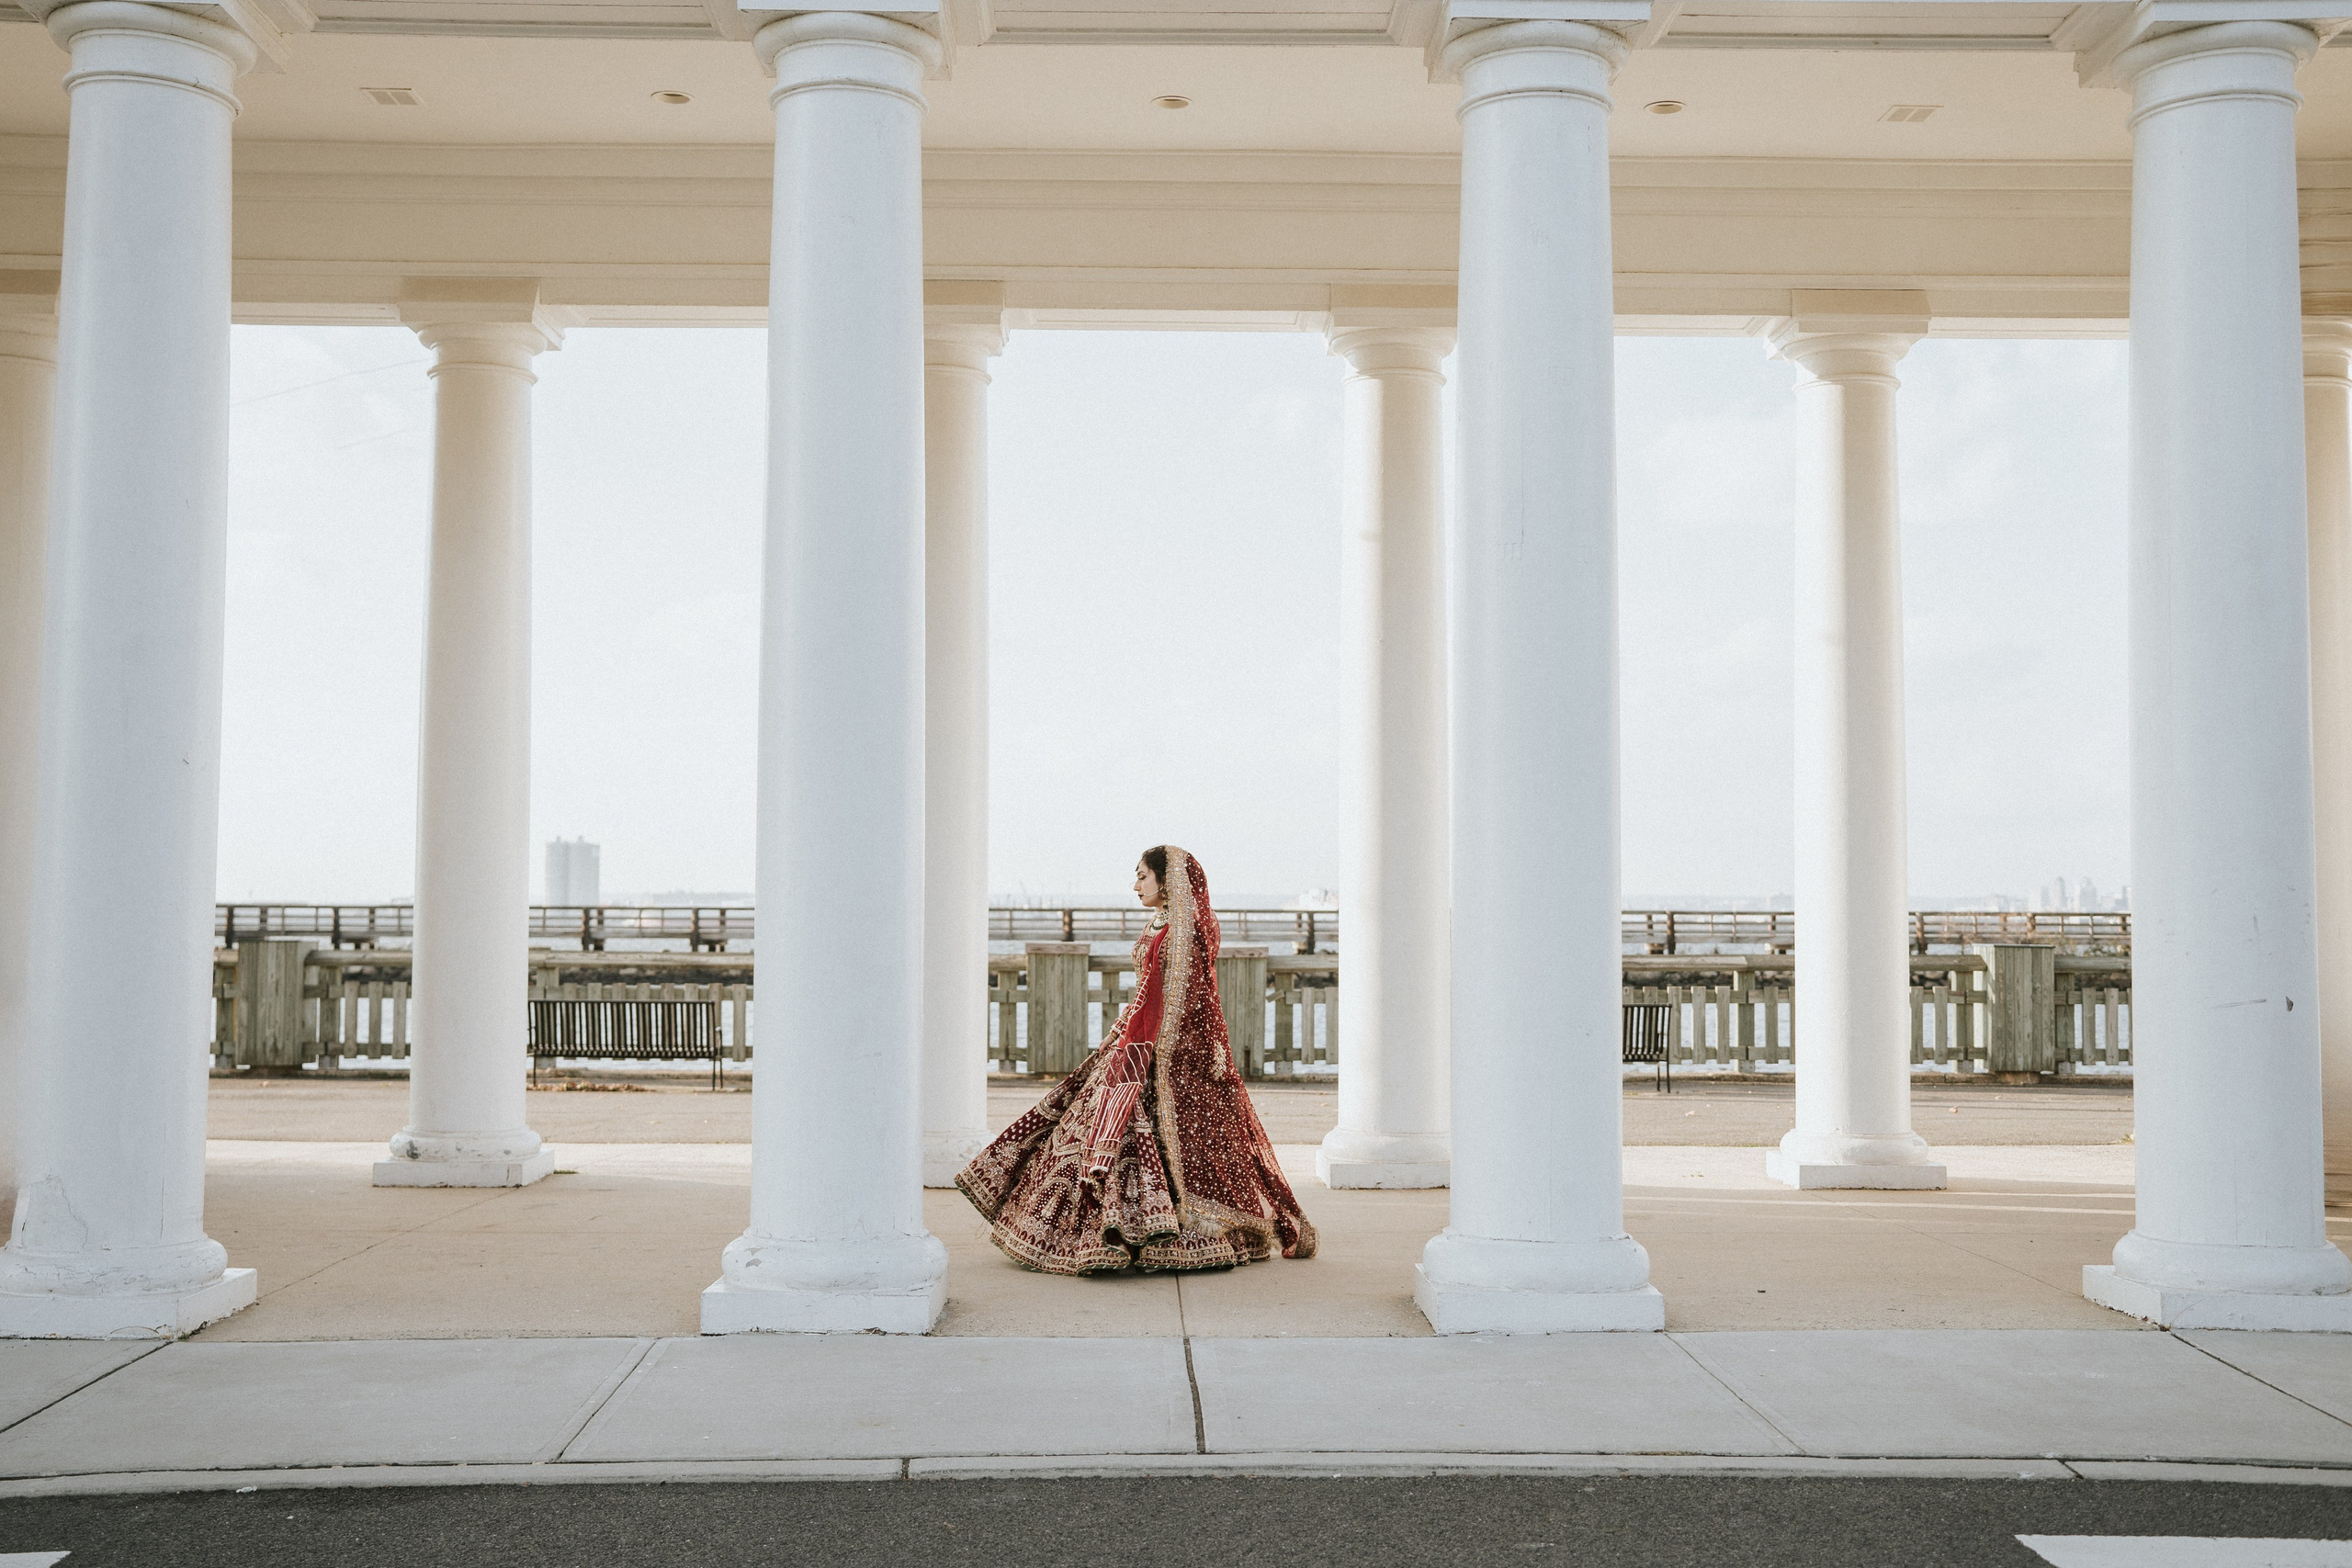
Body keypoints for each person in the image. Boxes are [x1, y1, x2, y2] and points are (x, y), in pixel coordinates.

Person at [956, 845, 1318, 1273]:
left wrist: (1155, 1051)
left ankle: (1150, 1237)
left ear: (1168, 882)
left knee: (1142, 1139)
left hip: (1165, 1053)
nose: (1135, 885)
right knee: (1083, 1126)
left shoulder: (1189, 928)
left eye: (1143, 876)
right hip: (1136, 1041)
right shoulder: (1162, 922)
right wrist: (1122, 1034)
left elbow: (1192, 998)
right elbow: (1149, 989)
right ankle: (1102, 1237)